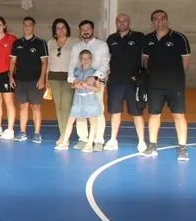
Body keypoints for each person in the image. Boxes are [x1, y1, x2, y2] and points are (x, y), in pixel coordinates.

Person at [141, 9, 190, 161]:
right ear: (152, 22)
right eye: (156, 18)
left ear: (167, 20)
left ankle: (182, 148)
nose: (159, 20)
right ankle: (152, 146)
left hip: (175, 85)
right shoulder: (147, 39)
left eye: (162, 18)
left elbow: (185, 62)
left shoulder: (179, 38)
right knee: (154, 115)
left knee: (178, 115)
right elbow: (145, 61)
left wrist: (175, 77)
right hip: (154, 85)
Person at [104, 14, 147, 152]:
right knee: (115, 112)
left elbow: (147, 57)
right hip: (115, 82)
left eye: (125, 21)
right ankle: (112, 140)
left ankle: (141, 141)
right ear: (116, 23)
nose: (122, 23)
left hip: (132, 83)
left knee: (137, 113)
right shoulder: (111, 39)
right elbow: (107, 59)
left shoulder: (139, 37)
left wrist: (142, 74)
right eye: (119, 21)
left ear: (129, 22)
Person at [67, 20, 110, 150]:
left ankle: (98, 140)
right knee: (80, 112)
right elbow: (72, 64)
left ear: (92, 29)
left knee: (97, 112)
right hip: (80, 84)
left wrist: (94, 76)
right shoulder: (76, 47)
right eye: (83, 29)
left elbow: (105, 63)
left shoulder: (102, 45)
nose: (85, 31)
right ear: (80, 32)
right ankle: (83, 138)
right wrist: (72, 79)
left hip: (95, 83)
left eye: (88, 28)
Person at [10, 17, 48, 143]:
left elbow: (44, 62)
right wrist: (11, 76)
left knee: (36, 107)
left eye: (30, 25)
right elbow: (12, 62)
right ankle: (22, 132)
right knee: (23, 107)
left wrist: (42, 79)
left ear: (33, 26)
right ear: (23, 26)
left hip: (35, 81)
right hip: (20, 80)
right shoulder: (17, 43)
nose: (27, 27)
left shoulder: (40, 43)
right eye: (25, 25)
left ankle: (37, 133)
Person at [58, 50, 103, 152]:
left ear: (91, 60)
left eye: (87, 58)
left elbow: (98, 89)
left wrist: (88, 86)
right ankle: (65, 142)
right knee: (71, 120)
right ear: (80, 60)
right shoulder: (76, 71)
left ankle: (90, 144)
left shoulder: (94, 73)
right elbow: (72, 85)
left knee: (92, 121)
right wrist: (75, 85)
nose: (85, 60)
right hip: (78, 100)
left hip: (90, 100)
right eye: (83, 58)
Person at [47, 18, 75, 139]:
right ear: (55, 31)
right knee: (58, 106)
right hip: (53, 77)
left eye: (63, 27)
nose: (61, 30)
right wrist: (46, 79)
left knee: (66, 105)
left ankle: (66, 134)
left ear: (67, 29)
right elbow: (47, 62)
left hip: (69, 77)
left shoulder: (75, 41)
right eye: (58, 28)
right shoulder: (50, 43)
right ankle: (62, 133)